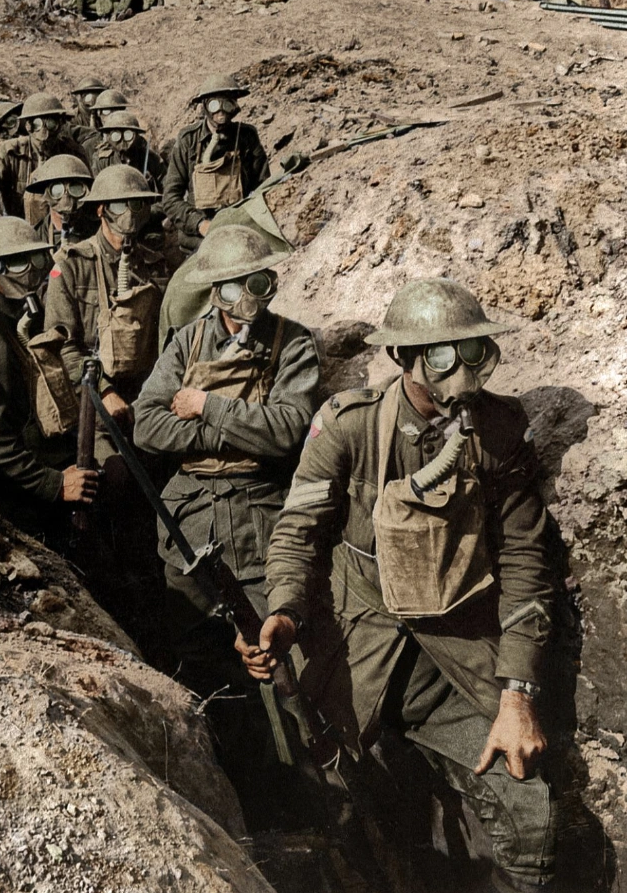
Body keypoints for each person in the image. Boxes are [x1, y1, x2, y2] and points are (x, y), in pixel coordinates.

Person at [238, 278, 559, 893]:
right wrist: (283, 612)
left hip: (457, 660)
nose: (461, 370)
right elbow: (298, 530)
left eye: (473, 350)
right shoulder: (348, 426)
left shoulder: (498, 431)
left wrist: (517, 695)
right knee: (334, 813)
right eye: (441, 355)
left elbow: (524, 558)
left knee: (529, 815)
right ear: (403, 358)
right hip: (356, 653)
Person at [133, 227, 319, 788]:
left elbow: (289, 430)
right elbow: (147, 424)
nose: (251, 298)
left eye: (260, 283)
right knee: (200, 657)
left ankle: (311, 785)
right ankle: (233, 782)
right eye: (238, 286)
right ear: (216, 290)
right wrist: (234, 432)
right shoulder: (187, 342)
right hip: (189, 517)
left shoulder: (294, 343)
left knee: (279, 655)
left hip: (261, 515)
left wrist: (206, 407)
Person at [0, 217, 98, 526]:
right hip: (4, 490)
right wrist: (55, 484)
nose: (33, 270)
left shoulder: (11, 312)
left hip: (29, 464)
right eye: (16, 263)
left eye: (37, 258)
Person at [44, 165, 168, 475]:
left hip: (145, 395)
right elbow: (62, 347)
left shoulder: (156, 266)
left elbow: (169, 339)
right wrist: (104, 391)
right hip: (91, 399)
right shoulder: (72, 266)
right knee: (116, 475)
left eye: (136, 204)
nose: (128, 213)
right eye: (118, 205)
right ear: (100, 209)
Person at [161, 74, 270, 255]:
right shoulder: (188, 140)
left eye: (227, 103)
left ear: (235, 106)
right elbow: (171, 198)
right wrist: (199, 224)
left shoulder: (247, 137)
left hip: (239, 230)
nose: (221, 111)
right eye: (214, 104)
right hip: (200, 237)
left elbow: (263, 187)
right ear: (204, 106)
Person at [0, 93, 88, 224]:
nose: (44, 131)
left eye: (51, 123)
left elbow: (88, 196)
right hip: (22, 232)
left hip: (66, 229)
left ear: (60, 123)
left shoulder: (73, 152)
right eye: (37, 124)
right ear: (28, 125)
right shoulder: (9, 152)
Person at [22, 153, 95, 247]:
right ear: (46, 193)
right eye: (57, 190)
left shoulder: (98, 231)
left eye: (75, 188)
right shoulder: (37, 237)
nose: (66, 197)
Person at [90, 110, 166, 191]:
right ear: (109, 136)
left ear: (136, 135)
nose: (123, 140)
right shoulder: (102, 161)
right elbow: (96, 192)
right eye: (116, 135)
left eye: (128, 134)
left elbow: (167, 188)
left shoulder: (150, 158)